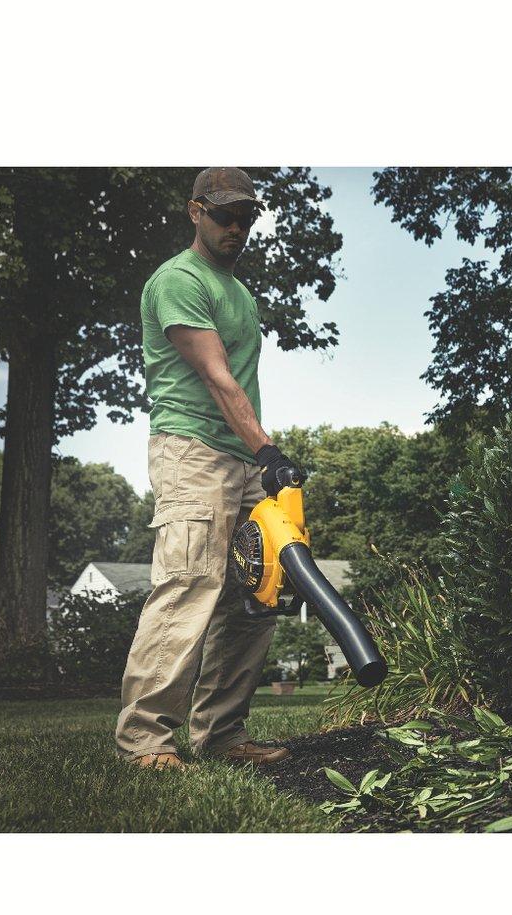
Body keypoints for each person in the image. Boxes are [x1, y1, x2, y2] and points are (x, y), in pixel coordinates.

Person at [115, 167, 303, 771]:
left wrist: (258, 455)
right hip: (192, 452)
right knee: (189, 584)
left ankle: (221, 734)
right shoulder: (179, 280)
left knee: (258, 591)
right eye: (225, 215)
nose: (236, 228)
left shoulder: (239, 293)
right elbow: (217, 378)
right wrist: (269, 450)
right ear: (195, 211)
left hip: (241, 457)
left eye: (246, 218)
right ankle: (145, 739)